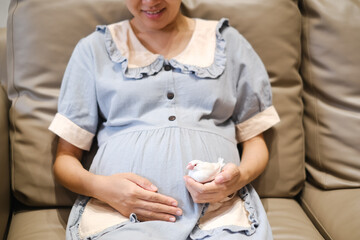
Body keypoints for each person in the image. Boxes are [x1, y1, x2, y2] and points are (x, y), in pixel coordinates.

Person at [49, 0, 280, 239]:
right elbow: (65, 159)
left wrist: (237, 179)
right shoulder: (93, 49)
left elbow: (255, 141)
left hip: (220, 214)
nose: (150, 2)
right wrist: (105, 189)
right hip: (120, 215)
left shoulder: (228, 43)